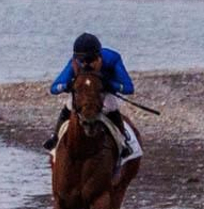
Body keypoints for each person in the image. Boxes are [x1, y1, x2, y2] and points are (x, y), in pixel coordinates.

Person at [44, 33, 141, 162]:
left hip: (103, 93)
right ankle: (56, 137)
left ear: (99, 56)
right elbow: (54, 88)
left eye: (90, 60)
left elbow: (129, 88)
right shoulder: (74, 62)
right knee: (69, 105)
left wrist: (110, 84)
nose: (86, 64)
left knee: (111, 106)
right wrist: (67, 85)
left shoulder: (112, 59)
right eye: (82, 61)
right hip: (83, 93)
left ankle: (123, 142)